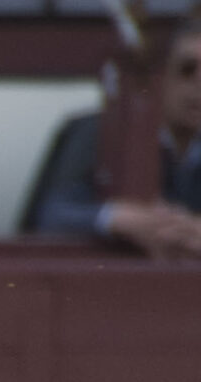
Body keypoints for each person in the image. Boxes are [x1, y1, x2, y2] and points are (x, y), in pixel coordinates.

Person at [27, 14, 201, 259]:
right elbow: (49, 216)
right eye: (187, 70)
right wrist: (115, 218)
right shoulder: (101, 133)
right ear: (160, 75)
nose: (199, 83)